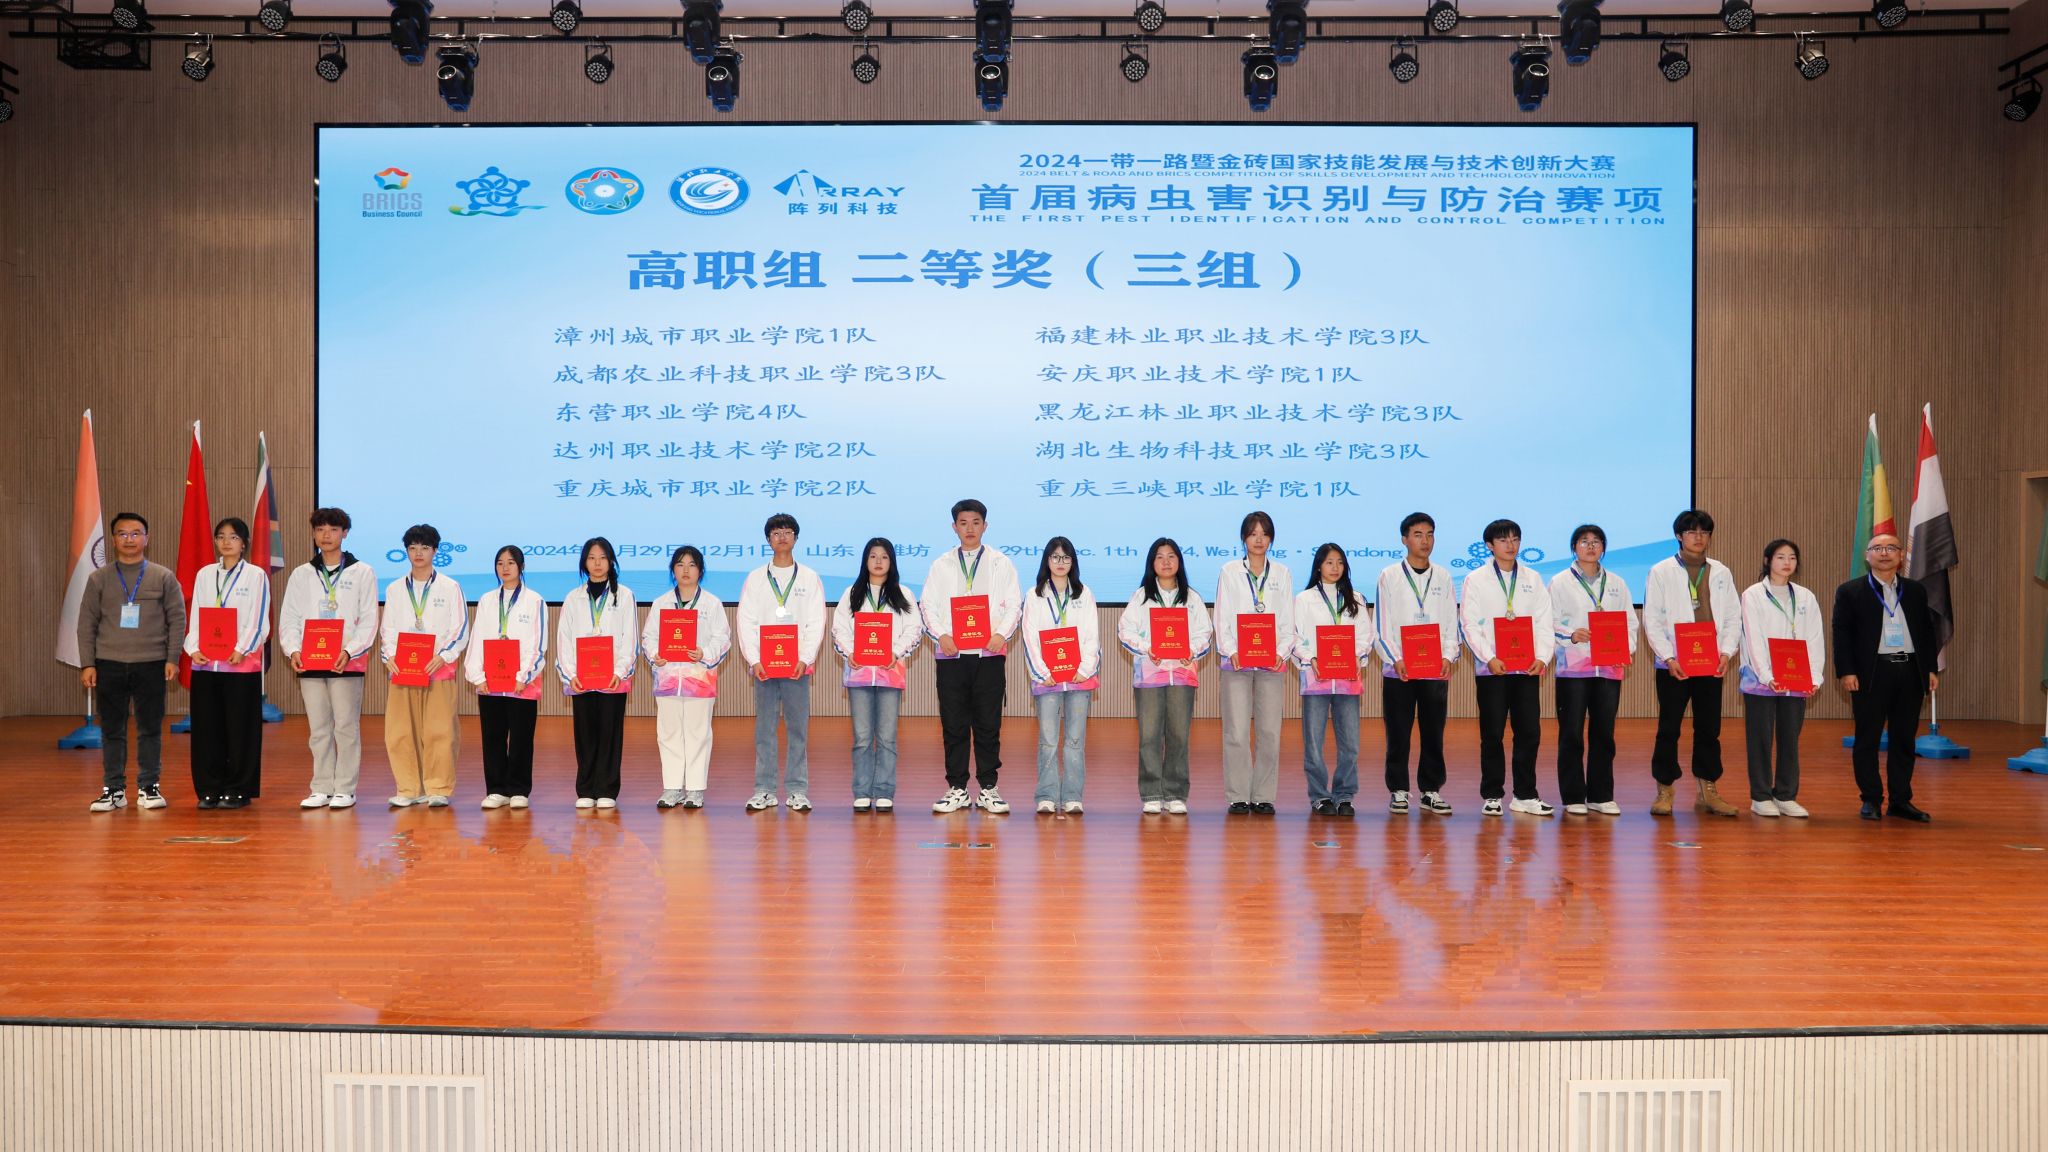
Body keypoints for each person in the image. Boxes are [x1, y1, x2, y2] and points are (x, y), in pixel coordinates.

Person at [921, 499, 1023, 815]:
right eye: (963, 523)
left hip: (988, 654)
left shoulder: (1001, 563)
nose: (969, 528)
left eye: (976, 522)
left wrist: (1001, 634)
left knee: (988, 724)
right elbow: (928, 606)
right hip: (952, 656)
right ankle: (958, 788)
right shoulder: (941, 565)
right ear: (954, 527)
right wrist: (942, 635)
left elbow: (1014, 604)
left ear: (985, 526)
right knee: (954, 724)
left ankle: (989, 788)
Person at [79, 512, 185, 812]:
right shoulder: (98, 579)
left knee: (150, 728)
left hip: (152, 663)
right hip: (108, 663)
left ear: (146, 539)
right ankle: (113, 789)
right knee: (112, 730)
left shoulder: (163, 576)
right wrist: (88, 663)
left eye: (136, 533)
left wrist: (172, 657)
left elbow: (177, 619)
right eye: (123, 534)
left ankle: (149, 786)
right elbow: (86, 623)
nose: (129, 539)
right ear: (113, 540)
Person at [1642, 509, 1744, 818]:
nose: (1698, 538)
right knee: (1669, 728)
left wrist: (1726, 652)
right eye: (1691, 532)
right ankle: (1665, 789)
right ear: (1679, 536)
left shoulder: (1721, 571)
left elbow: (1733, 616)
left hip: (1711, 663)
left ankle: (1707, 790)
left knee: (1709, 728)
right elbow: (1652, 619)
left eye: (1704, 532)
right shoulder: (1661, 571)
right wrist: (1668, 656)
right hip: (1675, 664)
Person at [1832, 533, 1940, 822]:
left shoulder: (1915, 591)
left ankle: (1900, 800)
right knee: (1867, 738)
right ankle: (1870, 799)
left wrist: (1929, 668)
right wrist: (1846, 671)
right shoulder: (1850, 591)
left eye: (1891, 548)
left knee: (1904, 739)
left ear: (1901, 555)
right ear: (1867, 556)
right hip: (1871, 673)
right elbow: (1841, 634)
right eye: (1877, 548)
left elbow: (1926, 632)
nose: (1884, 553)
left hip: (1910, 671)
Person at [278, 507, 378, 811]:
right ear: (313, 534)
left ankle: (345, 788)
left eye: (333, 529)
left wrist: (350, 650)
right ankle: (321, 786)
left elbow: (369, 620)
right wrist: (293, 650)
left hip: (345, 660)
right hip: (310, 660)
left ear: (344, 533)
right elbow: (289, 617)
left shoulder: (362, 572)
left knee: (345, 726)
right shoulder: (302, 574)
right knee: (318, 728)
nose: (326, 535)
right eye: (320, 529)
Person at [1459, 519, 1556, 817]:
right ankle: (1492, 794)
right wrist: (1488, 656)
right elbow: (1469, 624)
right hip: (1493, 670)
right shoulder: (1475, 579)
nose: (1510, 545)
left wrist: (1543, 657)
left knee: (1529, 732)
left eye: (1515, 539)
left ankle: (1525, 795)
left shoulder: (1533, 578)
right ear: (1489, 545)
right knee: (1492, 733)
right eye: (1503, 540)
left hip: (1526, 668)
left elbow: (1544, 621)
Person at [736, 513, 827, 812]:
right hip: (765, 666)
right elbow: (746, 620)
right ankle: (764, 790)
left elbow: (816, 620)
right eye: (776, 533)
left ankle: (797, 790)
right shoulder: (755, 578)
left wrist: (805, 657)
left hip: (796, 667)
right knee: (765, 729)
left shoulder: (809, 578)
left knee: (798, 729)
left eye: (787, 532)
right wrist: (754, 659)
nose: (782, 537)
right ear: (768, 540)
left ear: (796, 538)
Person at [1117, 537, 1213, 815]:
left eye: (1171, 556)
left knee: (1179, 735)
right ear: (1152, 563)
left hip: (1182, 675)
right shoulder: (1141, 597)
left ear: (1179, 561)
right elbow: (1125, 631)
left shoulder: (1192, 598)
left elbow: (1205, 633)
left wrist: (1192, 650)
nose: (1166, 562)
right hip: (1149, 675)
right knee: (1149, 736)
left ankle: (1175, 793)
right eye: (1159, 557)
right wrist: (1147, 648)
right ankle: (1151, 793)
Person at [1548, 524, 1638, 816]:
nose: (1590, 546)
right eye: (1584, 541)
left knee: (1604, 734)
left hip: (1609, 669)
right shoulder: (1560, 582)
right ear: (1574, 547)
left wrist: (1626, 650)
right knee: (1571, 733)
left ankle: (1601, 795)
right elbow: (1548, 621)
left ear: (1603, 548)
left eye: (1597, 541)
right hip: (1573, 669)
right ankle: (1573, 796)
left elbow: (1630, 623)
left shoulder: (1617, 583)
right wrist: (1571, 635)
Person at [182, 517, 271, 809]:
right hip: (206, 664)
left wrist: (242, 648)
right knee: (207, 729)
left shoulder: (255, 576)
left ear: (244, 543)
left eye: (233, 537)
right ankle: (209, 788)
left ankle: (238, 788)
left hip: (240, 664)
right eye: (221, 536)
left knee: (240, 729)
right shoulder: (205, 574)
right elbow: (196, 616)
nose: (226, 542)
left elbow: (258, 620)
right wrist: (193, 648)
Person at [1375, 512, 1460, 816]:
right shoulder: (1389, 576)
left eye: (1430, 534)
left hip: (1434, 668)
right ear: (1404, 539)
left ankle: (1431, 790)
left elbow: (1451, 622)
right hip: (1399, 669)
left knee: (1433, 732)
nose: (1425, 541)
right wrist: (1395, 657)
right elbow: (1382, 625)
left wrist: (1448, 655)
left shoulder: (1444, 576)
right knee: (1398, 732)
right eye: (1418, 534)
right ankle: (1398, 790)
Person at [1212, 511, 1296, 815]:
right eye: (1253, 533)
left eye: (1264, 533)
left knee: (1270, 731)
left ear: (1271, 538)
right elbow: (1222, 616)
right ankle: (1237, 795)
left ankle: (1263, 795)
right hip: (1237, 663)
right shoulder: (1230, 571)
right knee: (1235, 730)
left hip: (1271, 663)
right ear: (1244, 538)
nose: (1259, 539)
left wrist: (1281, 652)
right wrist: (1230, 649)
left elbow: (1288, 620)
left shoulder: (1282, 573)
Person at [831, 538, 924, 812]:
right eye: (873, 556)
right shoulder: (852, 593)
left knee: (887, 737)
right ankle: (862, 791)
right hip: (859, 675)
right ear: (865, 561)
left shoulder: (903, 594)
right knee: (862, 737)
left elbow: (914, 629)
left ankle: (884, 791)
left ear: (892, 561)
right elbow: (839, 629)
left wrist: (895, 652)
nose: (879, 561)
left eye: (884, 556)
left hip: (889, 674)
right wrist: (849, 652)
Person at [379, 524, 468, 809]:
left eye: (425, 548)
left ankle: (438, 788)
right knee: (400, 731)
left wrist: (443, 655)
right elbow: (387, 628)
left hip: (437, 668)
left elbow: (460, 628)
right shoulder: (394, 588)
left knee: (440, 731)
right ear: (406, 551)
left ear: (435, 551)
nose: (418, 553)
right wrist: (390, 656)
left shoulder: (450, 587)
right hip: (403, 670)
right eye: (413, 548)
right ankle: (408, 788)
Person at [643, 545, 731, 810]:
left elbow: (722, 638)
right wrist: (655, 655)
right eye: (680, 564)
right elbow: (649, 637)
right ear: (673, 570)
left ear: (700, 571)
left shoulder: (712, 604)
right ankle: (672, 787)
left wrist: (705, 653)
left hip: (699, 678)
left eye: (692, 565)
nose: (686, 570)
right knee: (668, 732)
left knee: (698, 733)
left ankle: (695, 789)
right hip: (668, 678)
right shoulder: (661, 603)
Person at [1740, 539, 1824, 819]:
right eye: (1780, 557)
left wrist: (1815, 677)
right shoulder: (1753, 595)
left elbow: (1815, 638)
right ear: (1767, 561)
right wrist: (1767, 675)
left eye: (1792, 557)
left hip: (1796, 678)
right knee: (1760, 739)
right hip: (1761, 680)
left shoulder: (1806, 596)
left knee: (1790, 738)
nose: (1787, 562)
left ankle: (1786, 795)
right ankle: (1761, 796)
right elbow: (1753, 638)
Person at [1020, 536, 1101, 814]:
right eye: (1055, 557)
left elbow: (1092, 635)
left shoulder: (1084, 593)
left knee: (1075, 741)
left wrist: (1084, 669)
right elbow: (1030, 637)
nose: (1060, 562)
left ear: (1073, 562)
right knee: (1048, 740)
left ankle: (1073, 796)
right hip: (1048, 679)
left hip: (1079, 678)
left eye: (1066, 557)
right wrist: (1042, 672)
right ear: (1047, 560)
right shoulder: (1034, 595)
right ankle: (1047, 795)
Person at [557, 536, 637, 810]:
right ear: (584, 563)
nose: (597, 563)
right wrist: (570, 674)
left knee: (610, 734)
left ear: (611, 561)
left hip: (612, 678)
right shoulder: (573, 597)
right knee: (584, 734)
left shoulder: (624, 595)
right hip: (582, 678)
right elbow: (564, 639)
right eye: (591, 558)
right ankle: (585, 789)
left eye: (603, 558)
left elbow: (629, 639)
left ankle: (607, 789)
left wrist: (620, 671)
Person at [465, 545, 547, 810]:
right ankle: (496, 789)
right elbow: (477, 638)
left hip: (522, 682)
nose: (505, 568)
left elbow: (539, 643)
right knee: (492, 736)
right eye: (500, 563)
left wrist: (524, 675)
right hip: (490, 681)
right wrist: (477, 675)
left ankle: (519, 789)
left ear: (521, 567)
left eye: (511, 562)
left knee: (522, 737)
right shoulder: (487, 600)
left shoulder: (535, 600)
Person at [1294, 543, 1373, 816]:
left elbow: (1365, 636)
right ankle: (1319, 796)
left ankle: (1344, 795)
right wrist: (1311, 658)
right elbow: (1296, 636)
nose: (1335, 567)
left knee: (1350, 743)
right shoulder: (1304, 599)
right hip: (1316, 678)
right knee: (1313, 742)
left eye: (1340, 562)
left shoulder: (1357, 598)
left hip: (1347, 679)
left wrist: (1356, 656)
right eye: (1329, 562)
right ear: (1319, 566)